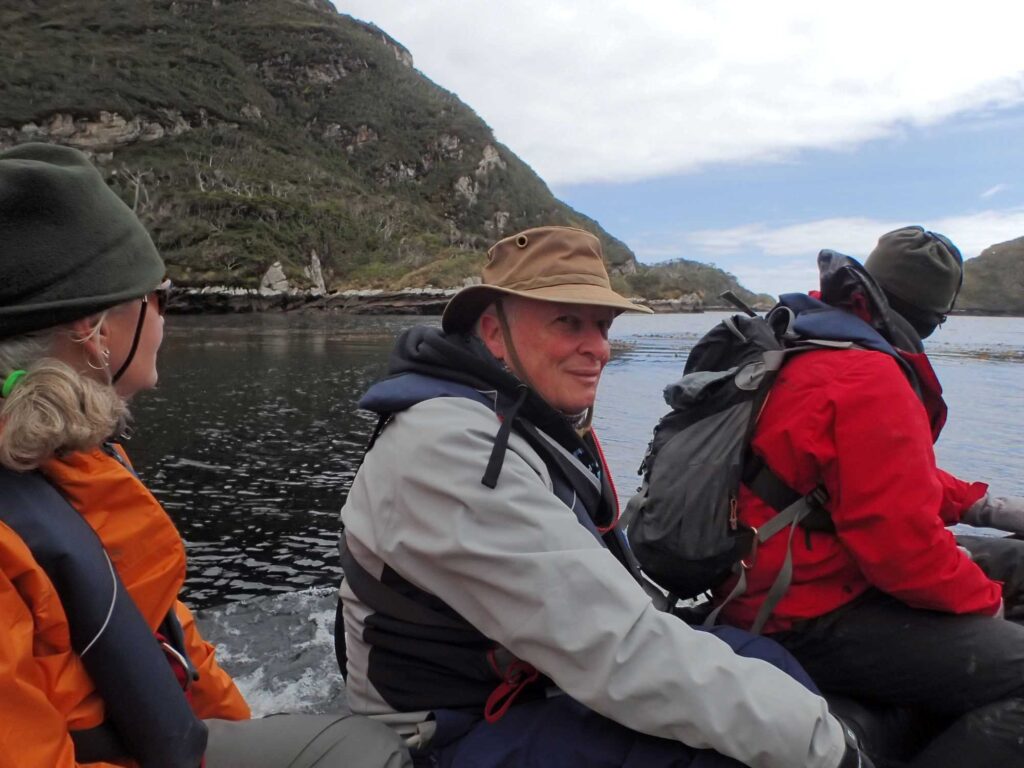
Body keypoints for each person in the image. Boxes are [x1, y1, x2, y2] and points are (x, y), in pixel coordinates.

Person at [336, 225, 872, 768]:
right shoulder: (449, 449)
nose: (599, 349)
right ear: (495, 334)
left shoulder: (523, 415)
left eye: (602, 324)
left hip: (530, 687)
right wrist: (825, 749)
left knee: (763, 658)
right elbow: (617, 651)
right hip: (449, 734)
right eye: (568, 322)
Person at [0, 143, 410, 768]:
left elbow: (168, 639)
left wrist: (236, 729)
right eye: (158, 295)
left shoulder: (82, 465)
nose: (166, 314)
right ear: (95, 328)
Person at [708, 226, 1024, 767]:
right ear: (934, 315)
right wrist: (989, 602)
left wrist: (982, 506)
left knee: (1014, 559)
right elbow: (905, 556)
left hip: (763, 575)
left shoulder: (806, 343)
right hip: (804, 609)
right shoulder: (869, 376)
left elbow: (869, 474)